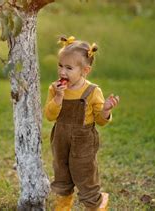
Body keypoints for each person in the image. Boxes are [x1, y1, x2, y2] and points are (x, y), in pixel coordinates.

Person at [44, 35, 120, 211]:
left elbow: (100, 121)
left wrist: (106, 110)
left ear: (85, 71)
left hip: (83, 139)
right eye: (60, 66)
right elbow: (49, 115)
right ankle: (63, 204)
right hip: (61, 138)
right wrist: (58, 97)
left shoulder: (92, 91)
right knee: (61, 171)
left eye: (69, 68)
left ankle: (96, 204)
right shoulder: (55, 89)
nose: (62, 72)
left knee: (84, 173)